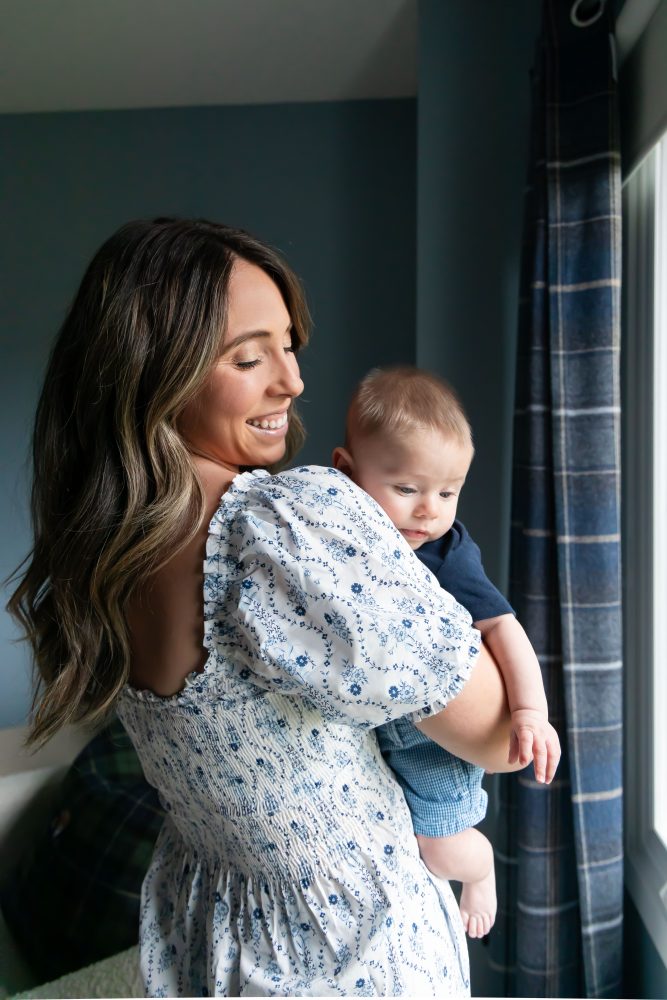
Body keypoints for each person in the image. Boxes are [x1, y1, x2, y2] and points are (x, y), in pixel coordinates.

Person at [8, 217, 523, 998]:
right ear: (155, 372)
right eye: (249, 357)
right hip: (353, 950)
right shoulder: (274, 529)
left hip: (214, 942)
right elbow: (495, 737)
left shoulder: (103, 548)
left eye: (289, 346)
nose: (292, 380)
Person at [332, 365, 561, 940]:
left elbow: (504, 628)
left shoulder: (447, 553)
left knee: (437, 846)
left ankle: (480, 870)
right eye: (407, 489)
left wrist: (532, 712)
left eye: (447, 492)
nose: (429, 510)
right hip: (384, 725)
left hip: (434, 745)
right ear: (346, 473)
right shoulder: (338, 532)